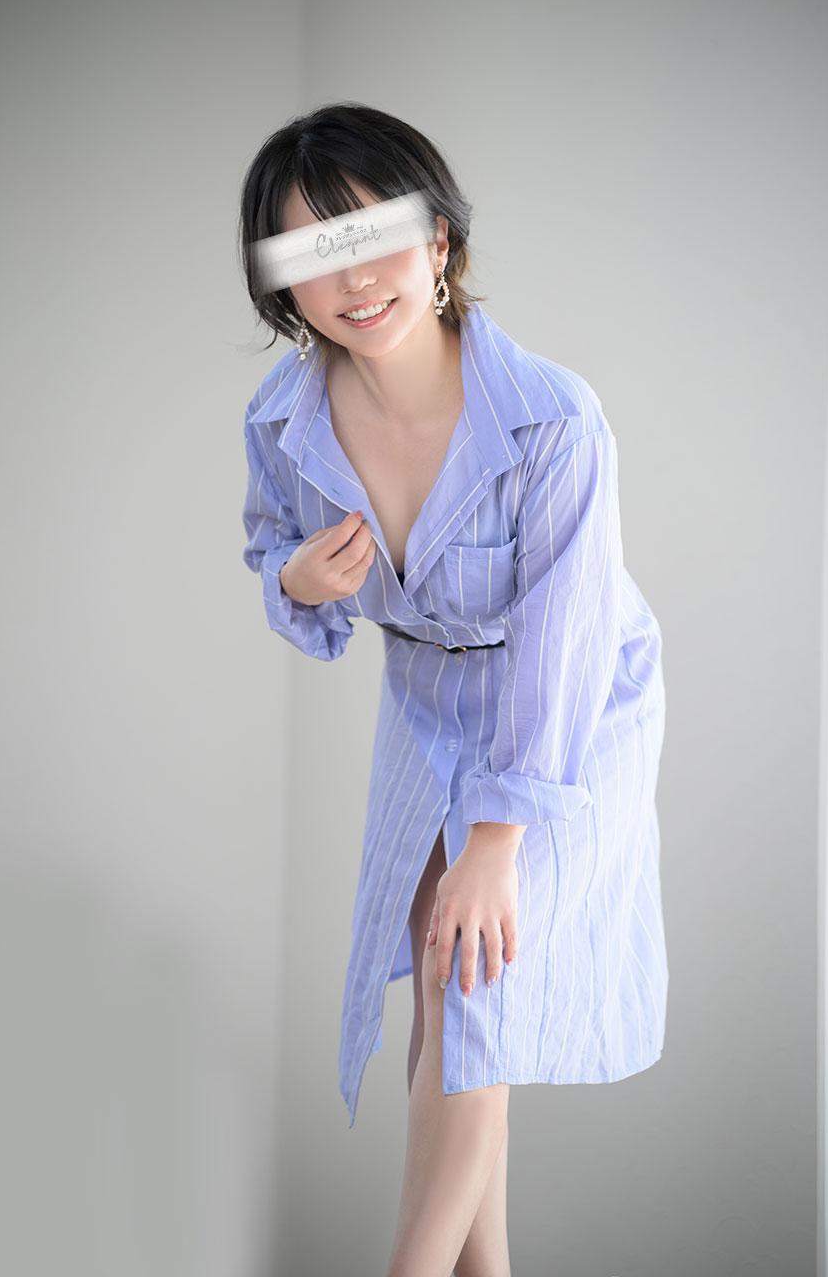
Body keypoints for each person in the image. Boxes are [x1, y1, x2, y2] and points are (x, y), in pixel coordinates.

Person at [239, 102, 668, 1277]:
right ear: (282, 282)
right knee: (454, 999)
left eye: (373, 237)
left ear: (436, 240)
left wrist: (497, 834)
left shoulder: (554, 419)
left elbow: (564, 646)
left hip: (571, 710)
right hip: (425, 702)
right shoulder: (280, 420)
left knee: (472, 986)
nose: (353, 279)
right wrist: (296, 578)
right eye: (313, 253)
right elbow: (271, 552)